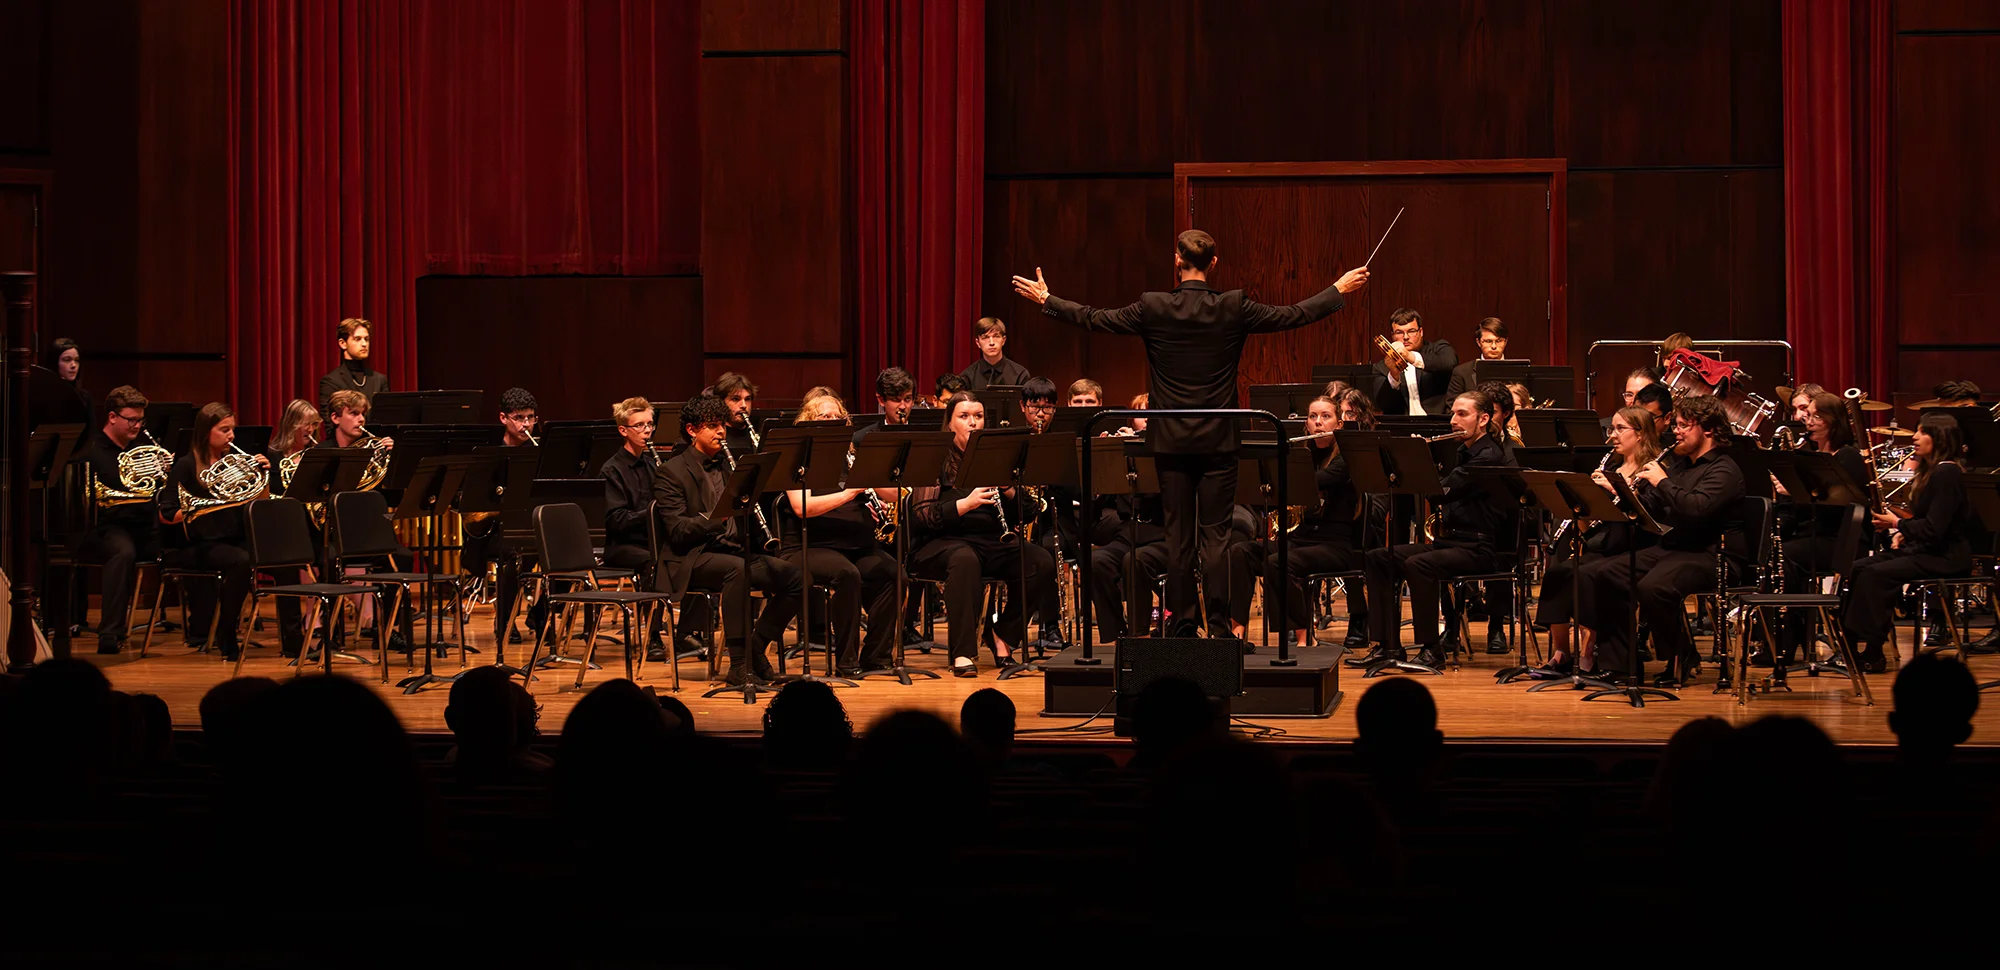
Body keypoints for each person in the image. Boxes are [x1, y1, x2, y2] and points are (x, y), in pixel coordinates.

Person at [1013, 228, 1368, 636]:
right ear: (1214, 263)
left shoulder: (1153, 306)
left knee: (1178, 538)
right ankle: (1218, 627)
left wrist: (1048, 300)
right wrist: (1338, 289)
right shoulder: (1233, 305)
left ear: (1177, 261)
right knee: (1215, 539)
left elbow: (1095, 318)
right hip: (1219, 440)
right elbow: (1293, 314)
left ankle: (1183, 624)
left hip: (1171, 441)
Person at [1578, 394, 1746, 686]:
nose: (1676, 431)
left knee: (1654, 587)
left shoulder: (1724, 470)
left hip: (1713, 554)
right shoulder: (1682, 466)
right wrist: (1623, 493)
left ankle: (1681, 654)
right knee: (1607, 573)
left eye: (1684, 426)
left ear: (1708, 429)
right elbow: (1655, 510)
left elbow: (1696, 509)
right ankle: (1620, 665)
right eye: (1676, 425)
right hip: (1675, 547)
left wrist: (1662, 482)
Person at [1352, 388, 1514, 671]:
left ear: (1483, 419)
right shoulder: (1463, 451)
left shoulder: (1488, 455)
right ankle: (1387, 645)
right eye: (1453, 413)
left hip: (1479, 548)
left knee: (1419, 565)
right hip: (1451, 542)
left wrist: (1418, 461)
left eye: (1462, 414)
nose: (1453, 420)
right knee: (1379, 557)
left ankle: (1431, 649)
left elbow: (1440, 493)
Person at [654, 395, 803, 686]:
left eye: (722, 424)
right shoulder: (670, 472)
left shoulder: (732, 466)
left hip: (734, 551)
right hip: (692, 557)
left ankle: (755, 649)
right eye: (712, 426)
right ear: (692, 430)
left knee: (795, 577)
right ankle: (738, 666)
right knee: (737, 570)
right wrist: (718, 516)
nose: (721, 431)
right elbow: (678, 531)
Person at [907, 392, 1058, 675]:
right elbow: (922, 516)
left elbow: (1028, 511)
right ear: (950, 423)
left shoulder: (995, 457)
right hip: (940, 544)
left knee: (1040, 561)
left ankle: (1003, 636)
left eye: (978, 416)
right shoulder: (935, 457)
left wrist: (1008, 488)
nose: (972, 422)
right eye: (964, 416)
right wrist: (967, 504)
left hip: (990, 542)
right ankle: (963, 653)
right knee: (964, 559)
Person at [1218, 393, 1367, 651]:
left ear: (1339, 424)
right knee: (1240, 552)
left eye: (1326, 416)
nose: (1318, 422)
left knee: (1279, 563)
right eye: (1313, 416)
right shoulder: (1300, 454)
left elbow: (1318, 480)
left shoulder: (1346, 458)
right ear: (1306, 423)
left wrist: (1280, 476)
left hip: (1334, 545)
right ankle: (1236, 633)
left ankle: (1304, 638)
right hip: (1299, 540)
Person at [773, 394, 903, 676]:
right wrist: (850, 493)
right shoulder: (798, 457)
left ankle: (877, 656)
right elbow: (801, 507)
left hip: (855, 544)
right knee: (847, 574)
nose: (833, 421)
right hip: (809, 545)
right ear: (809, 422)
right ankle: (847, 661)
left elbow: (893, 495)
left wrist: (880, 479)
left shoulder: (851, 455)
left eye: (838, 417)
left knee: (893, 573)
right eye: (825, 416)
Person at [1536, 405, 1661, 675]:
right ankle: (1561, 653)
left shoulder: (1652, 470)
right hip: (1604, 544)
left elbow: (1648, 515)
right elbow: (1591, 523)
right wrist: (1579, 506)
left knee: (1587, 576)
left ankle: (1590, 650)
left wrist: (1615, 488)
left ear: (1640, 434)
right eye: (1611, 429)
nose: (1612, 435)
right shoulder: (1611, 465)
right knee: (1557, 573)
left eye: (1620, 429)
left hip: (1635, 546)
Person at [1842, 414, 1971, 673]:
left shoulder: (1946, 472)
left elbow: (1935, 529)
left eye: (1923, 432)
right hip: (1928, 550)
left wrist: (1897, 524)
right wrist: (1904, 532)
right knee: (1857, 567)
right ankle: (1849, 645)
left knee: (1875, 574)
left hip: (1946, 557)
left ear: (1940, 438)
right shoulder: (1934, 471)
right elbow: (1929, 523)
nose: (1914, 437)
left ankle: (1873, 651)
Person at [154, 403, 276, 661]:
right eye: (224, 430)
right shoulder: (186, 465)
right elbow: (166, 514)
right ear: (206, 432)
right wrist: (205, 507)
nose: (231, 436)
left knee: (283, 558)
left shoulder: (238, 464)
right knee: (240, 561)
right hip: (194, 544)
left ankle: (293, 641)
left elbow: (261, 502)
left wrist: (263, 475)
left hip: (231, 539)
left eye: (232, 429)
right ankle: (226, 632)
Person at [1768, 390, 1871, 673]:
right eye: (1808, 415)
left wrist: (1795, 491)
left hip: (1842, 539)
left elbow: (1841, 506)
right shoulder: (1811, 456)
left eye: (1816, 416)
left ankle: (1793, 638)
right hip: (1815, 536)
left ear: (1833, 421)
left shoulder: (1848, 456)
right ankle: (1785, 638)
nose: (1808, 421)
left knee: (1785, 557)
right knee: (1776, 551)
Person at [73, 386, 163, 654]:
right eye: (131, 420)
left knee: (190, 539)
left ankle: (202, 631)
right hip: (106, 526)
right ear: (112, 417)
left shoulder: (144, 447)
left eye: (140, 420)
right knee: (122, 552)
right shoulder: (90, 450)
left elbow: (157, 489)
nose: (137, 426)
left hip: (144, 523)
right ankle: (110, 633)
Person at [462, 387, 548, 647]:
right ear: (503, 418)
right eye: (519, 418)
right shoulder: (488, 454)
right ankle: (505, 620)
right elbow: (473, 501)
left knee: (563, 550)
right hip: (491, 532)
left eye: (530, 418)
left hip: (528, 528)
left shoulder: (541, 452)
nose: (526, 425)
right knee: (516, 553)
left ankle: (540, 613)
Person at [1370, 309, 1458, 417]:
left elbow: (1449, 362)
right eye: (1399, 332)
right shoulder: (1382, 367)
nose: (1406, 337)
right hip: (1403, 424)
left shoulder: (1438, 349)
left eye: (1411, 331)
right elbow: (1383, 405)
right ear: (1392, 335)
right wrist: (1394, 374)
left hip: (1437, 421)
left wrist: (1409, 356)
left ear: (1420, 332)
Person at [317, 317, 389, 413]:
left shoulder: (379, 380)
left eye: (366, 339)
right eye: (357, 339)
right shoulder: (331, 382)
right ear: (343, 343)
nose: (364, 344)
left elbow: (386, 416)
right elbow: (330, 419)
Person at [960, 317, 1031, 391]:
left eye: (996, 336)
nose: (991, 343)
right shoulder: (967, 377)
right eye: (985, 337)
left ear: (1003, 340)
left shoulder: (1020, 374)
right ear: (978, 343)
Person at [1446, 317, 1509, 399]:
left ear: (1505, 341)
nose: (1494, 346)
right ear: (1478, 342)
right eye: (1488, 341)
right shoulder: (1462, 373)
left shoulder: (1518, 370)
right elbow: (1452, 405)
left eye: (1498, 341)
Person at [853, 367, 916, 444]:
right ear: (881, 400)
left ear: (913, 400)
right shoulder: (862, 438)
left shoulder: (925, 437)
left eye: (907, 398)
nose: (902, 407)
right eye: (896, 399)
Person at [711, 371, 761, 454]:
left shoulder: (759, 434)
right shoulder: (714, 438)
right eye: (735, 399)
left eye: (747, 399)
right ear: (720, 402)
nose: (744, 405)